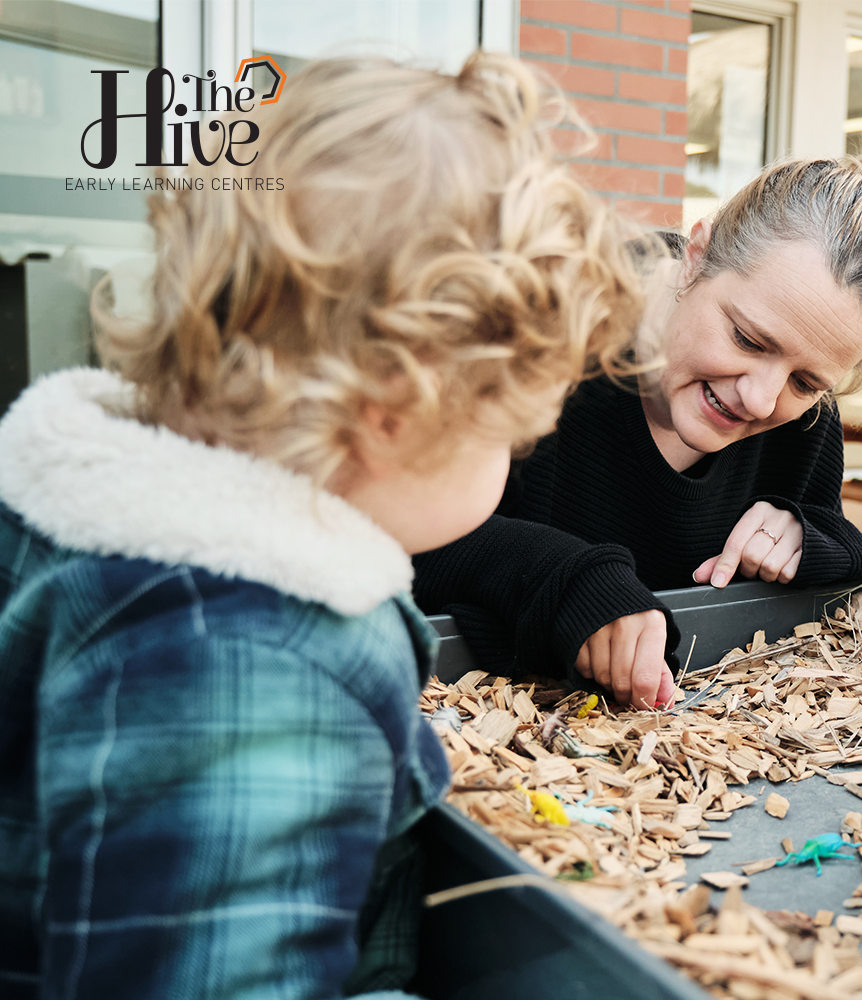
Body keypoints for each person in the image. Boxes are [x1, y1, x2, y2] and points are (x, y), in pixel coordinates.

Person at [0, 54, 640, 998]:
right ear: (394, 409)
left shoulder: (70, 509)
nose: (516, 460)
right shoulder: (252, 667)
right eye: (511, 433)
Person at [413, 153, 862, 710]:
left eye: (805, 381)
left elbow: (847, 558)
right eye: (748, 340)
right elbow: (399, 532)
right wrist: (565, 579)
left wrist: (805, 537)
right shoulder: (532, 333)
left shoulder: (803, 421)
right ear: (696, 257)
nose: (760, 399)